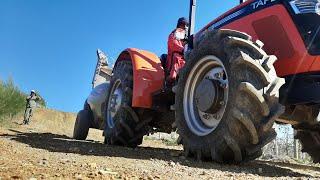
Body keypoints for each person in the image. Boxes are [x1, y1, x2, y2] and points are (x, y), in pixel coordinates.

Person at [166, 17, 189, 85]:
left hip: (185, 59)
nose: (185, 27)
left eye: (187, 25)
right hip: (173, 61)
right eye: (183, 24)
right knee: (177, 57)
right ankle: (172, 78)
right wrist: (184, 50)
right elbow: (173, 44)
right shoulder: (174, 34)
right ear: (179, 25)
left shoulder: (186, 38)